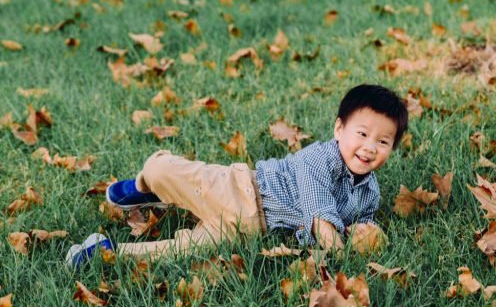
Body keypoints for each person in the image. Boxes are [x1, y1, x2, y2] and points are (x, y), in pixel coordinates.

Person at [65, 83, 408, 268]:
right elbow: (320, 217)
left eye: (383, 141)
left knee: (185, 250)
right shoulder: (319, 158)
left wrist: (368, 234)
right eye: (362, 134)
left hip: (251, 229)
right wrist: (343, 255)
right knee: (163, 170)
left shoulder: (369, 193)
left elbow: (364, 221)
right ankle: (144, 185)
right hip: (240, 190)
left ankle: (104, 252)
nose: (369, 147)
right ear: (339, 129)